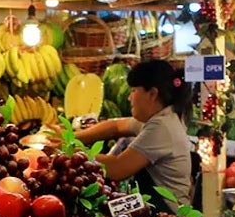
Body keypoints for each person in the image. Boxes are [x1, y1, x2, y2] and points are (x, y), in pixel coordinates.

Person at [73, 59, 193, 209]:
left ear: (152, 94)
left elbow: (117, 168)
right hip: (153, 209)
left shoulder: (161, 127)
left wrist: (72, 154)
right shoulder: (162, 117)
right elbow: (116, 126)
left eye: (134, 91)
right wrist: (73, 137)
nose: (129, 97)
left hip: (167, 216)